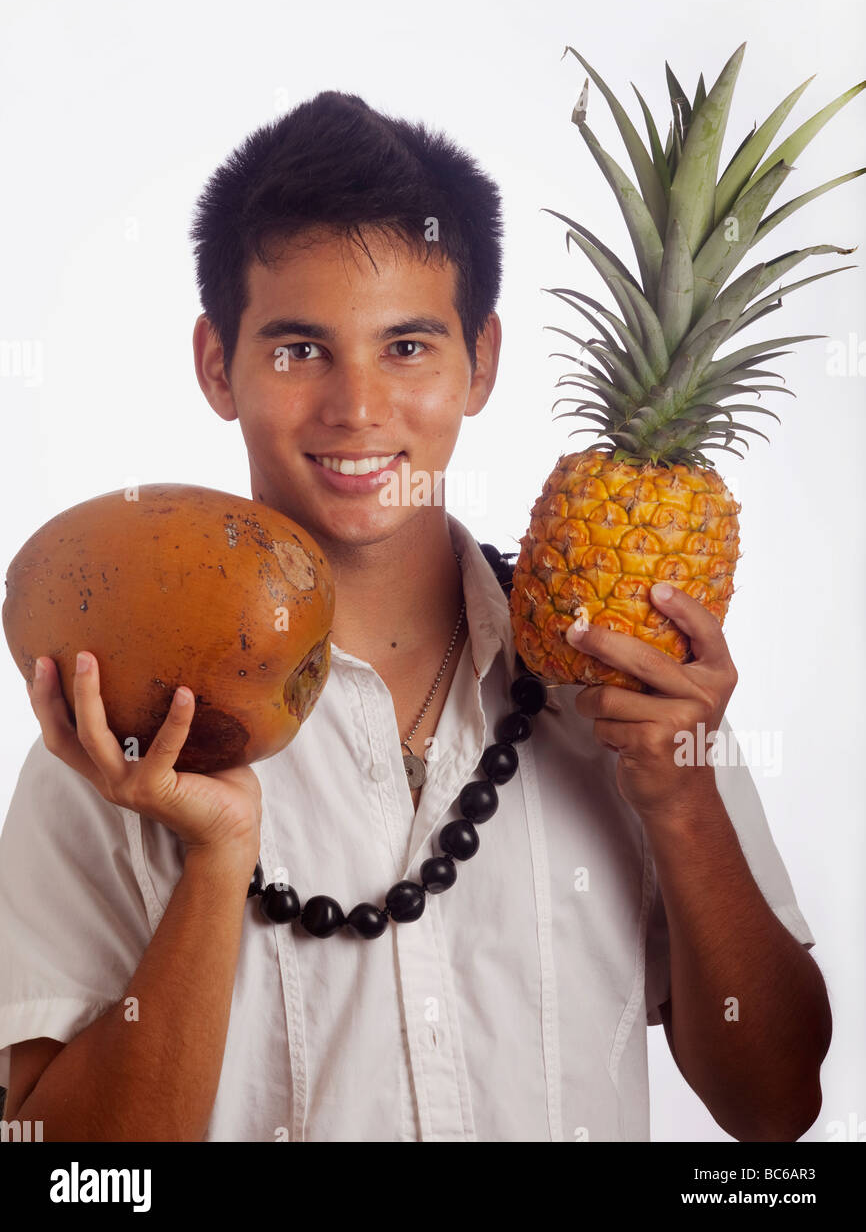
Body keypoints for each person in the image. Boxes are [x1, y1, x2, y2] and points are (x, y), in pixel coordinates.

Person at [0, 91, 831, 1142]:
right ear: (218, 364)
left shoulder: (629, 687)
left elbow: (774, 1109)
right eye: (300, 349)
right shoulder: (112, 737)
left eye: (406, 347)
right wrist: (215, 863)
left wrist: (682, 802)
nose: (356, 408)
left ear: (479, 360)